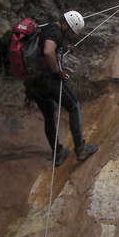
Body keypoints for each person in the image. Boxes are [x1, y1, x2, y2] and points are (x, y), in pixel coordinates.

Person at [25, 10, 98, 167]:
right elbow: (48, 51)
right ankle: (81, 149)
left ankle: (58, 153)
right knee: (74, 106)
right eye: (70, 30)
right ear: (66, 24)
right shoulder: (55, 31)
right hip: (47, 81)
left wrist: (66, 47)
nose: (70, 33)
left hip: (32, 82)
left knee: (49, 117)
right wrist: (57, 72)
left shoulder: (48, 27)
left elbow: (49, 45)